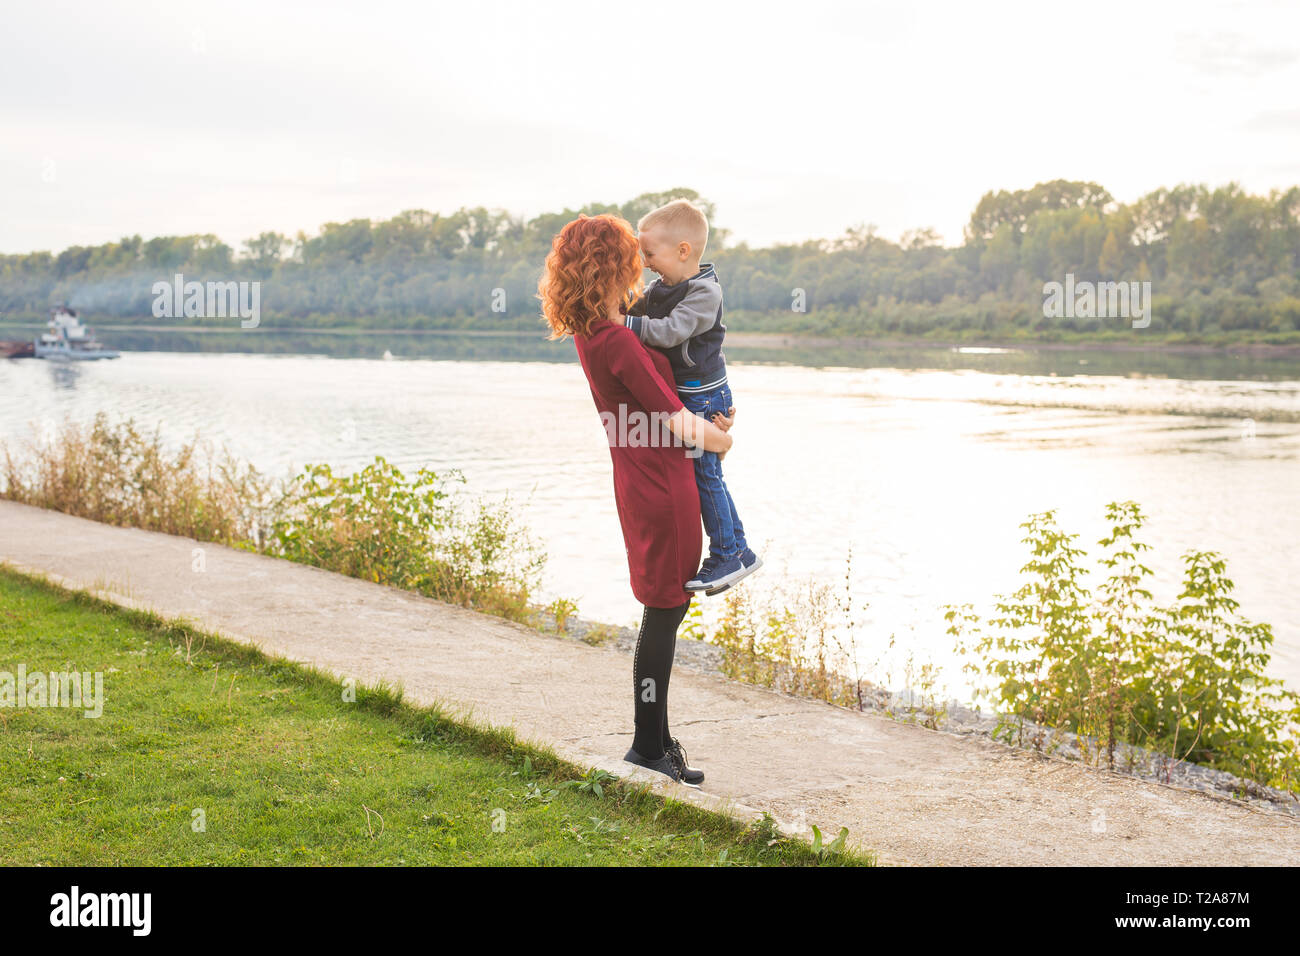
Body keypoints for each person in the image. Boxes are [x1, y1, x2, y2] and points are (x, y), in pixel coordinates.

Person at [539, 213, 733, 785]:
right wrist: (721, 437)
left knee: (662, 608)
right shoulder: (619, 339)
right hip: (661, 484)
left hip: (638, 476)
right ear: (611, 266)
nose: (641, 266)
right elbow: (673, 420)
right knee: (666, 610)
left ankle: (654, 738)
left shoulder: (591, 332)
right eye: (633, 257)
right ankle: (649, 744)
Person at [624, 199, 761, 595]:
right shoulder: (660, 288)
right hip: (693, 395)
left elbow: (669, 331)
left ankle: (728, 554)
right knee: (708, 475)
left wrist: (625, 323)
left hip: (706, 398)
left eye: (649, 253)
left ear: (683, 251)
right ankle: (740, 550)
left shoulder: (705, 293)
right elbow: (634, 307)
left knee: (706, 476)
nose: (645, 262)